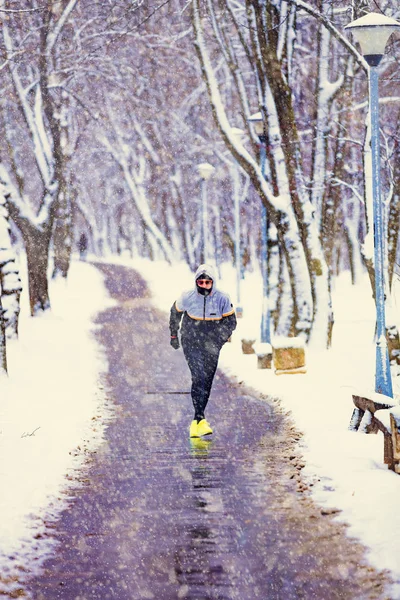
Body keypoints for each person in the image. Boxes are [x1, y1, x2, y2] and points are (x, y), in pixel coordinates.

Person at [169, 264, 237, 438]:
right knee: (198, 375)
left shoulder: (222, 298)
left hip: (212, 344)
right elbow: (174, 312)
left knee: (206, 380)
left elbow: (231, 322)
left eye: (208, 282)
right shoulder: (188, 297)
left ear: (213, 282)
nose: (204, 286)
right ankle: (198, 418)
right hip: (191, 341)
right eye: (201, 282)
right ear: (196, 282)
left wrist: (219, 338)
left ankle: (199, 420)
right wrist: (173, 335)